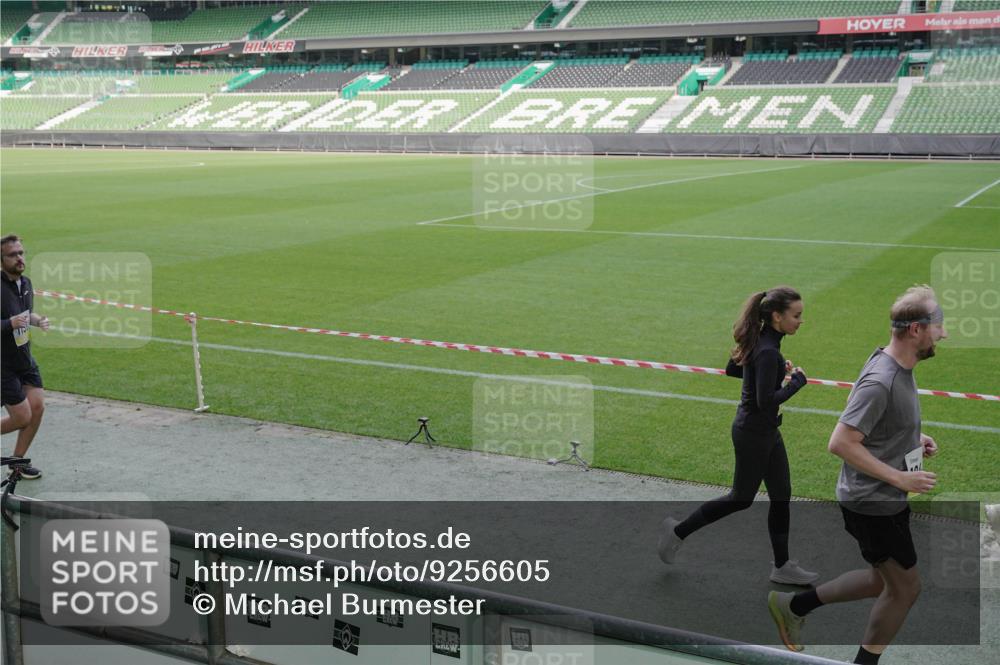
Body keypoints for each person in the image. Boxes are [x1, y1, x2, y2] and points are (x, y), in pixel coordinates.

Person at [767, 285, 945, 664]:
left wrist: (911, 436)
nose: (943, 333)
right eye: (939, 325)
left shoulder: (895, 364)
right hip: (874, 504)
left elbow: (878, 424)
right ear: (916, 330)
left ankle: (794, 605)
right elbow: (842, 442)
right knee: (905, 589)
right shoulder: (882, 379)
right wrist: (900, 479)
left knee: (883, 580)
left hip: (877, 499)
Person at [658, 286, 818, 586]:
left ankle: (782, 566)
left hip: (766, 431)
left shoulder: (764, 344)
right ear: (776, 316)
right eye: (796, 316)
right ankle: (677, 532)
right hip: (753, 433)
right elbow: (765, 401)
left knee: (781, 495)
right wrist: (796, 382)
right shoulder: (769, 349)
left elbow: (733, 368)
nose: (800, 321)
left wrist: (768, 374)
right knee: (741, 498)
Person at [1, 234, 48, 479]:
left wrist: (37, 320)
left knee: (37, 407)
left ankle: (17, 463)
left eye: (21, 253)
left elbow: (25, 314)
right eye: (12, 254)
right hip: (3, 364)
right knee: (22, 416)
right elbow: (11, 320)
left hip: (24, 360)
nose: (19, 258)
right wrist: (9, 323)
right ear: (1, 260)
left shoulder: (26, 283)